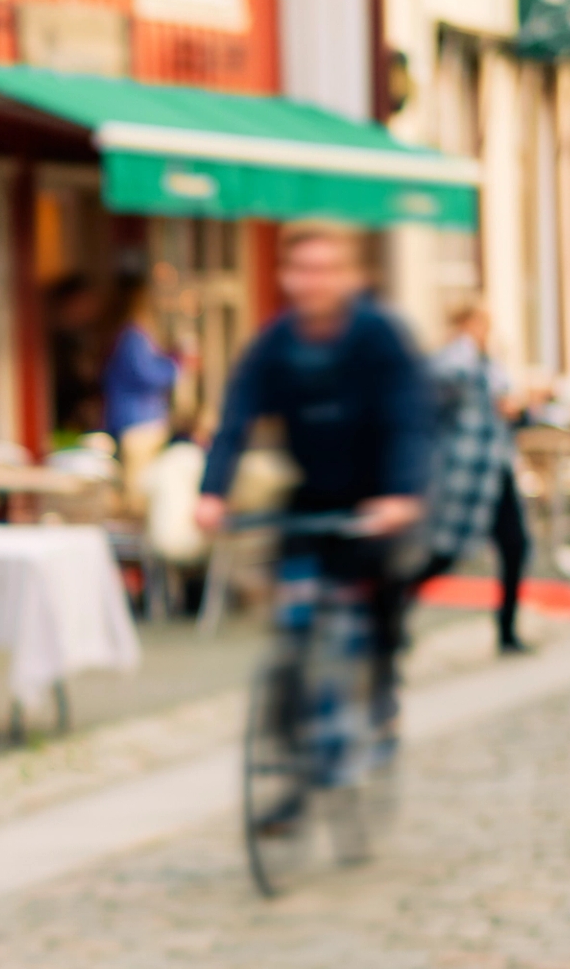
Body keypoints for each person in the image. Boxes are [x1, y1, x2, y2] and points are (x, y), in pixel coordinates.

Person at [191, 225, 433, 734]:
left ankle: (384, 684)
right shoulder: (276, 343)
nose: (312, 282)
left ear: (350, 278)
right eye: (301, 270)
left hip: (376, 496)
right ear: (286, 278)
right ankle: (284, 755)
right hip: (312, 493)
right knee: (291, 612)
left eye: (324, 270)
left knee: (383, 589)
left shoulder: (377, 336)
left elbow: (407, 418)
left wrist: (401, 493)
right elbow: (236, 417)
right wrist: (212, 493)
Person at [422, 302, 535, 654]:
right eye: (480, 325)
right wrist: (465, 342)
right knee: (443, 553)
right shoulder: (453, 360)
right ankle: (387, 617)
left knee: (515, 546)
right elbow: (447, 380)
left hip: (496, 469)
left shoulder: (490, 364)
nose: (486, 332)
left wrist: (518, 408)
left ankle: (507, 631)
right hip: (464, 475)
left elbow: (504, 407)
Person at [97, 281, 185, 488]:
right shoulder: (133, 338)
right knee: (138, 486)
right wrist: (175, 365)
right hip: (139, 422)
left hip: (137, 420)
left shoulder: (131, 336)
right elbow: (147, 376)